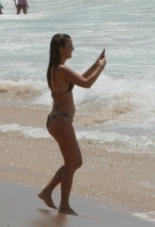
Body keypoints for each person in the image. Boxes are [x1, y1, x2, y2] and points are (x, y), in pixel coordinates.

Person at [38, 34, 106, 215]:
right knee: (71, 163)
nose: (73, 48)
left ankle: (47, 191)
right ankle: (64, 205)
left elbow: (80, 78)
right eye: (70, 45)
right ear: (61, 49)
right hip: (61, 120)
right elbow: (87, 83)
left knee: (76, 162)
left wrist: (95, 64)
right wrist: (101, 66)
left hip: (60, 120)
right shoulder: (60, 69)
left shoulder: (58, 69)